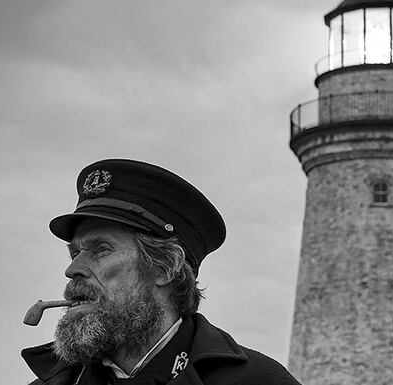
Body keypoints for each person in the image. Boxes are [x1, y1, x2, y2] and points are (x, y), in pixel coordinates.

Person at [22, 159, 302, 385]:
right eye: (75, 252)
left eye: (101, 250)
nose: (72, 270)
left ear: (165, 268)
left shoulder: (258, 381)